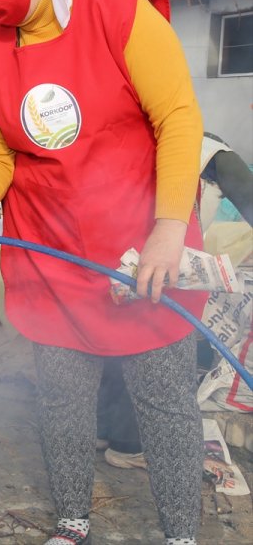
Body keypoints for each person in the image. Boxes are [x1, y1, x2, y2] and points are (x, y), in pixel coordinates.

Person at [0, 0, 208, 545]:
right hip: (49, 254)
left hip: (143, 251)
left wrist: (169, 228)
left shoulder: (122, 16)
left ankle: (182, 536)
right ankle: (71, 522)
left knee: (165, 406)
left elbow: (178, 118)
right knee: (60, 402)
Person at [98, 131, 253, 469]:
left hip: (109, 259)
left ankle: (100, 429)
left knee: (109, 338)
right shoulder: (208, 149)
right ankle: (126, 444)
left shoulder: (123, 133)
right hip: (148, 264)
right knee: (149, 346)